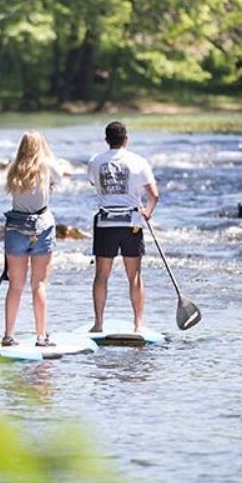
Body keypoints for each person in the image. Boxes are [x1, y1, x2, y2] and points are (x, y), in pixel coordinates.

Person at [87, 120, 159, 333]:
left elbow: (94, 183)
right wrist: (148, 212)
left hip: (105, 223)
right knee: (134, 275)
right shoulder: (139, 161)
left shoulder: (95, 161)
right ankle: (138, 324)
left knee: (101, 275)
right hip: (132, 224)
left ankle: (98, 323)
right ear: (126, 139)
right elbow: (154, 195)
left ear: (106, 140)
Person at [2, 131, 62, 347]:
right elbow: (62, 179)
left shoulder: (14, 168)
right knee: (39, 284)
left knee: (15, 286)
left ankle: (8, 336)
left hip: (16, 228)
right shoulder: (47, 165)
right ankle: (41, 336)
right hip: (42, 228)